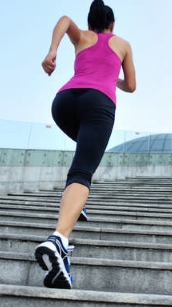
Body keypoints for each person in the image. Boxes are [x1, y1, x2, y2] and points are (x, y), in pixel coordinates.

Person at [34, 0, 136, 289]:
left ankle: (76, 204)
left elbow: (65, 19)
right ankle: (59, 240)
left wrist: (52, 52)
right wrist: (110, 75)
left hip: (64, 102)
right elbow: (131, 85)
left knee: (85, 154)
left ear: (90, 23)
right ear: (112, 25)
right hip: (98, 103)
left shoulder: (83, 37)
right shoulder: (122, 44)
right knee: (82, 171)